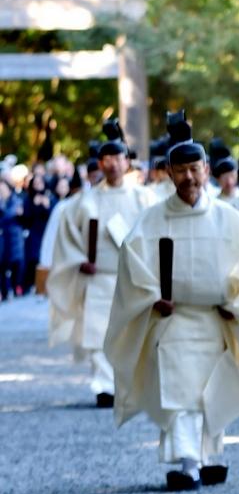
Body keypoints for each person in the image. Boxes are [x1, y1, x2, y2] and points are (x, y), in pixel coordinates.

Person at [105, 113, 239, 490]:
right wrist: (151, 297)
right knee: (182, 393)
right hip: (173, 323)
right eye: (181, 170)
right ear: (169, 173)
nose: (189, 178)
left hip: (216, 321)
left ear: (206, 169)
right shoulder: (151, 220)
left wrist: (238, 300)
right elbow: (133, 263)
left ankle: (209, 455)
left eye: (195, 169)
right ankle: (186, 463)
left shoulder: (229, 219)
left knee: (211, 391)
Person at [46, 120, 147, 406]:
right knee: (99, 332)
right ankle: (104, 386)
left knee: (129, 331)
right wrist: (80, 259)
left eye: (118, 158)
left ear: (127, 161)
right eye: (107, 159)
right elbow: (67, 237)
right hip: (98, 276)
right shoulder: (85, 201)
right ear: (100, 163)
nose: (113, 164)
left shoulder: (143, 197)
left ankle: (127, 385)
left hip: (131, 274)